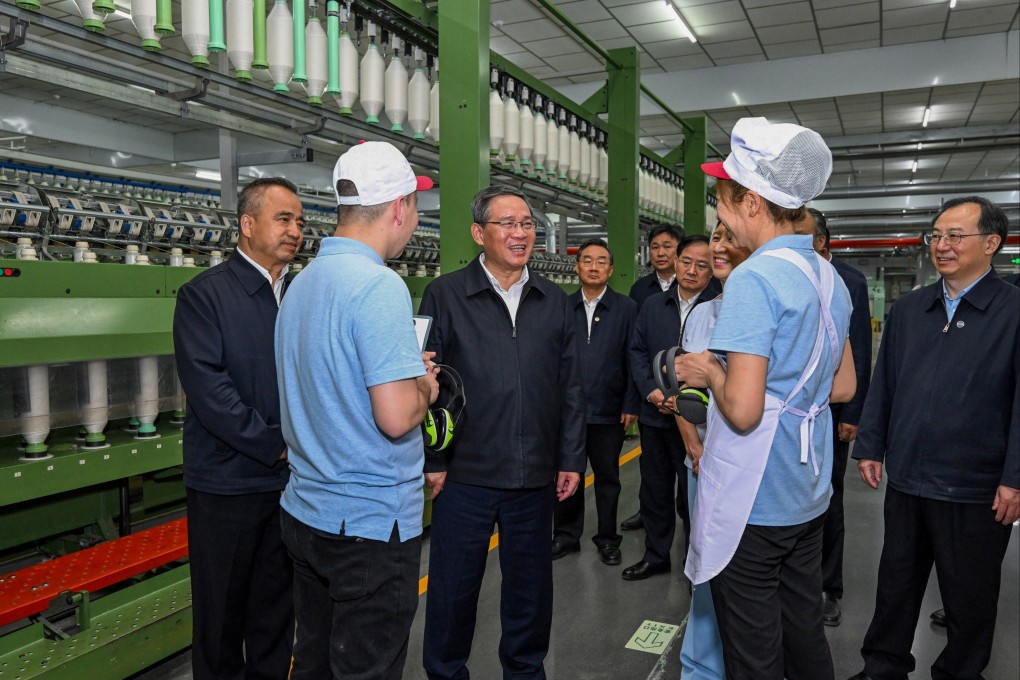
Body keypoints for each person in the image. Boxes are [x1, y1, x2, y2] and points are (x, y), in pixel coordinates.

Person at [674, 117, 855, 680]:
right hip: (807, 487)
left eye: (724, 206)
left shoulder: (755, 279)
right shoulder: (826, 274)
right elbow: (843, 386)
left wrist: (708, 372)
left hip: (757, 496)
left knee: (752, 647)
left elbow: (745, 409)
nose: (721, 221)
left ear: (752, 202)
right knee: (801, 629)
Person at [274, 142, 438, 680]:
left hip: (305, 513)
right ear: (398, 208)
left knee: (317, 662)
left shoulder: (299, 284)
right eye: (415, 206)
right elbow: (394, 417)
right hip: (368, 525)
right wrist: (425, 385)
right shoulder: (379, 286)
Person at [848, 196, 1019, 680]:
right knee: (895, 584)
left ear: (991, 243)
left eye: (954, 236)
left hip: (977, 486)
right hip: (908, 479)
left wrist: (1015, 478)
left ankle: (961, 672)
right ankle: (882, 667)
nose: (942, 246)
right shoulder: (909, 309)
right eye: (936, 236)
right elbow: (885, 382)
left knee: (970, 594)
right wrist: (871, 444)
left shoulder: (1012, 311)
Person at [419, 185, 586, 680]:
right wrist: (433, 458)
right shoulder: (445, 294)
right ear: (479, 233)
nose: (520, 233)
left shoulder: (555, 301)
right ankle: (446, 672)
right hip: (465, 473)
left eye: (528, 224)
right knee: (453, 588)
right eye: (507, 224)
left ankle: (525, 671)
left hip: (535, 474)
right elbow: (426, 382)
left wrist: (570, 458)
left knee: (530, 590)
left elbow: (572, 387)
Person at [173, 177, 303, 680]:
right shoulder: (205, 296)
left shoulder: (300, 294)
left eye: (298, 220)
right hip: (226, 486)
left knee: (275, 613)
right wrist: (282, 446)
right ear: (247, 226)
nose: (295, 230)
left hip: (290, 486)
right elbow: (212, 395)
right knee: (221, 619)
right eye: (282, 218)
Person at [676, 222, 753, 680]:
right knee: (706, 569)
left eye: (727, 239)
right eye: (714, 239)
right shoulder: (703, 314)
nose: (717, 249)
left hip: (752, 464)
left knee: (751, 578)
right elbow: (683, 390)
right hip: (704, 461)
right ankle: (702, 667)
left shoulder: (765, 305)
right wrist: (693, 445)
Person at [795, 207, 873, 627]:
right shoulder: (782, 274)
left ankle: (828, 586)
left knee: (829, 499)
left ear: (822, 241)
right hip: (786, 415)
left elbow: (858, 350)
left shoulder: (849, 282)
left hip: (830, 410)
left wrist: (853, 412)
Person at [624, 234, 717, 581]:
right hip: (656, 415)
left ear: (712, 271)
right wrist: (651, 393)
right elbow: (636, 352)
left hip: (698, 419)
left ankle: (697, 562)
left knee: (694, 493)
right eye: (687, 262)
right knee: (655, 488)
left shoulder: (718, 307)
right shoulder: (651, 305)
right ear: (675, 263)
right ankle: (656, 554)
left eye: (702, 265)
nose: (692, 271)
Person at [551, 238, 640, 566]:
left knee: (607, 478)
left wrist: (631, 402)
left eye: (601, 261)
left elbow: (634, 359)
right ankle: (565, 535)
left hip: (609, 410)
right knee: (565, 472)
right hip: (568, 412)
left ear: (611, 269)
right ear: (577, 267)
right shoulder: (562, 306)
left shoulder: (627, 309)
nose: (593, 266)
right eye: (586, 260)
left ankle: (607, 538)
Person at [622, 224, 684, 532]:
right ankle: (651, 524)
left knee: (688, 478)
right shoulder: (640, 290)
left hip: (690, 403)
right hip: (653, 402)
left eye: (668, 246)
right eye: (655, 246)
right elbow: (636, 348)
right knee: (653, 475)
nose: (660, 252)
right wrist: (647, 393)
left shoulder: (703, 288)